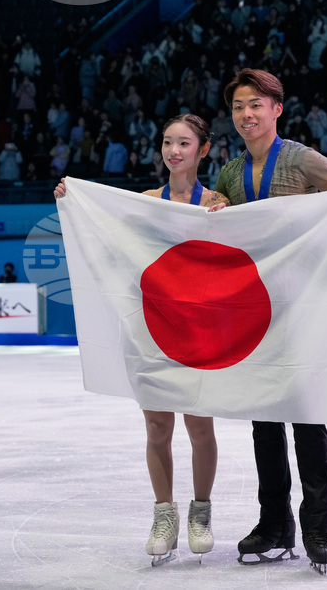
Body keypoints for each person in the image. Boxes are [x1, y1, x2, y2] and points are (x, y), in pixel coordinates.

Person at [211, 68, 327, 574]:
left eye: (256, 105)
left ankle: (317, 525)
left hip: (305, 310)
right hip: (253, 317)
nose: (246, 115)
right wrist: (215, 206)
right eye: (238, 107)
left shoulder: (301, 159)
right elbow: (216, 226)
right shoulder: (229, 171)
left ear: (277, 109)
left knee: (307, 422)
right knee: (263, 424)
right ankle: (273, 524)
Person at [54, 113, 229, 565]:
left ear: (203, 150)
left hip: (199, 331)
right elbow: (113, 244)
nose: (174, 151)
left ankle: (201, 513)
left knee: (199, 426)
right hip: (153, 329)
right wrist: (73, 202)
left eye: (184, 143)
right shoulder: (145, 201)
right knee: (157, 427)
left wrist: (226, 223)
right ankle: (164, 514)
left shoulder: (218, 202)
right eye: (168, 142)